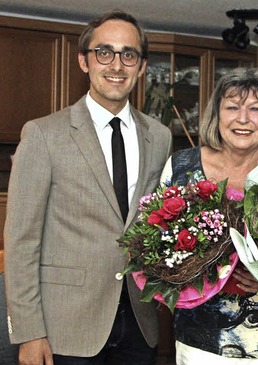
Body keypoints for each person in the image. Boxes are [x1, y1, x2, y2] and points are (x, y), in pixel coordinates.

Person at [4, 9, 172, 365]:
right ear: (84, 61)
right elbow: (21, 241)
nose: (116, 65)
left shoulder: (158, 137)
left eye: (129, 55)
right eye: (104, 52)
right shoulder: (43, 135)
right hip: (65, 328)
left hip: (139, 324)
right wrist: (30, 332)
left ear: (141, 67)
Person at [161, 67, 258, 365]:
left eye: (255, 109)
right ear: (217, 116)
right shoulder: (182, 167)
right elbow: (156, 245)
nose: (243, 119)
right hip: (200, 339)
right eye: (232, 107)